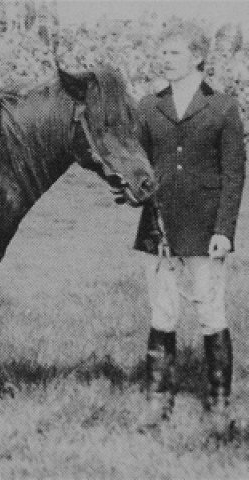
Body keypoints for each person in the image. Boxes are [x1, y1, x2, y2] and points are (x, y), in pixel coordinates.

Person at [131, 21, 247, 430]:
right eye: (163, 52)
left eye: (174, 52)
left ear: (197, 57)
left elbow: (234, 174)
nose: (165, 58)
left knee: (210, 311)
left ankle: (217, 405)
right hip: (159, 226)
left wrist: (223, 231)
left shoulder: (223, 107)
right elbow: (137, 166)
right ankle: (157, 400)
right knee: (162, 311)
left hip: (205, 228)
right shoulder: (147, 106)